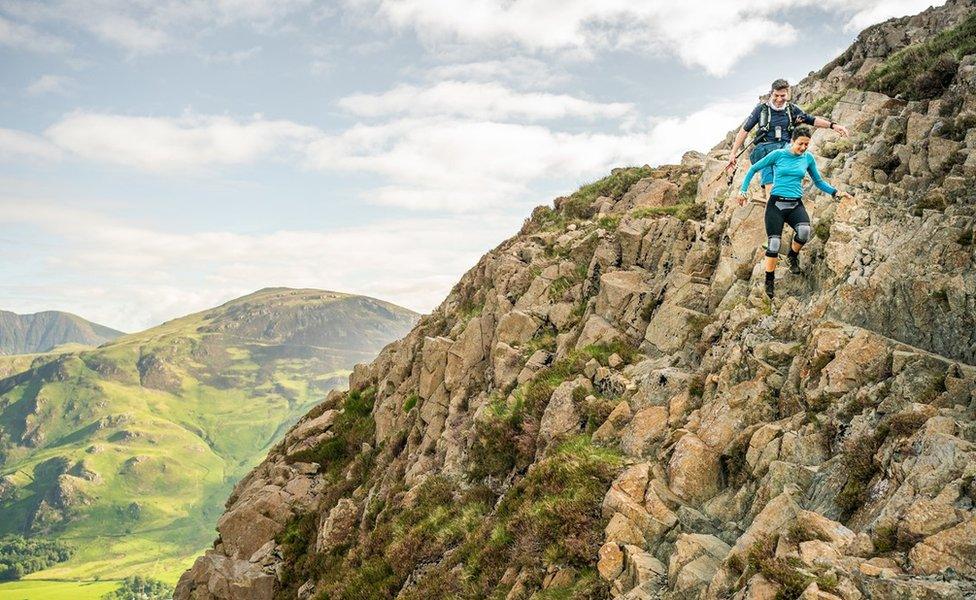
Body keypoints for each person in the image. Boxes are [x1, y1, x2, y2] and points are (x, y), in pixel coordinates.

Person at [735, 125, 852, 299]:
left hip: (795, 204)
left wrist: (835, 192)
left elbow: (818, 181)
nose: (803, 148)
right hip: (776, 205)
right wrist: (743, 190)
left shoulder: (808, 158)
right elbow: (753, 169)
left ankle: (792, 256)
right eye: (800, 144)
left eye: (806, 144)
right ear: (792, 141)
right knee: (774, 244)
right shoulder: (778, 155)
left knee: (804, 232)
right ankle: (769, 281)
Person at [727, 78, 850, 198]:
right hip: (765, 148)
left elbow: (812, 120)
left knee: (789, 169)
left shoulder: (792, 110)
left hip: (785, 148)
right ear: (771, 93)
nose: (779, 99)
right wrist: (733, 153)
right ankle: (771, 199)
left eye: (783, 96)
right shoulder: (761, 110)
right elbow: (744, 131)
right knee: (769, 172)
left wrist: (833, 126)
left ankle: (785, 197)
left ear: (788, 94)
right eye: (776, 95)